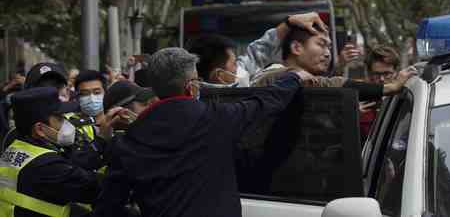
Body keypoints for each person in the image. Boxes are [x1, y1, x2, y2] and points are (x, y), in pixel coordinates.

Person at [94, 47, 313, 217]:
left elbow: (108, 205)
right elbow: (265, 102)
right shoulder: (216, 119)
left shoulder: (129, 142)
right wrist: (294, 77)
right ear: (191, 86)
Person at [251, 19, 416, 102]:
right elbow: (328, 84)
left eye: (329, 47)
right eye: (321, 45)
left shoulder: (308, 82)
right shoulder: (271, 77)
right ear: (297, 48)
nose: (327, 53)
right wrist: (390, 87)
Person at [0, 87, 100, 217]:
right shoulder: (48, 165)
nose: (67, 123)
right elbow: (96, 189)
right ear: (40, 129)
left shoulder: (17, 147)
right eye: (59, 119)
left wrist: (101, 140)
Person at [359, 46, 401, 139]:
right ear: (369, 74)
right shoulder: (359, 103)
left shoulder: (407, 98)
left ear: (396, 72)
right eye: (377, 74)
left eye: (387, 74)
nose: (381, 79)